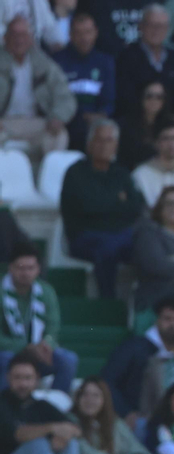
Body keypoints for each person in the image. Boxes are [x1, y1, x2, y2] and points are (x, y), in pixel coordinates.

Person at [62, 117, 144, 299]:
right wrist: (118, 202)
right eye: (99, 140)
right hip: (84, 237)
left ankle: (143, 305)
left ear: (116, 145)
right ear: (89, 144)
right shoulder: (75, 173)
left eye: (110, 140)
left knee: (147, 245)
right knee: (107, 247)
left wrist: (108, 204)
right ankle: (108, 301)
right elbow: (87, 206)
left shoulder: (121, 173)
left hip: (121, 237)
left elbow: (135, 207)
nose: (104, 145)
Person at [0, 352, 78, 454]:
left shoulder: (41, 406)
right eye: (18, 378)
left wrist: (61, 436)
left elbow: (76, 429)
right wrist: (52, 429)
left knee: (71, 442)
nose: (22, 383)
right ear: (8, 378)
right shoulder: (2, 404)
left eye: (27, 378)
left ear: (36, 380)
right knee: (38, 444)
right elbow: (18, 434)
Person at [0, 249, 76, 395]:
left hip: (38, 353)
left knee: (68, 360)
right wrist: (26, 347)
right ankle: (5, 409)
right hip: (7, 351)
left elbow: (53, 327)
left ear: (38, 269)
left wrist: (47, 344)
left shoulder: (46, 291)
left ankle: (54, 407)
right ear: (11, 268)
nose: (26, 273)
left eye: (30, 268)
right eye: (21, 268)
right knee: (6, 359)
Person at [0, 16, 71, 160]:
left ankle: (46, 180)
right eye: (14, 34)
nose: (19, 40)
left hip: (36, 122)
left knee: (59, 136)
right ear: (5, 38)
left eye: (23, 34)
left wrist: (57, 117)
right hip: (4, 123)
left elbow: (65, 96)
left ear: (31, 38)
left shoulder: (43, 64)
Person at [54, 11, 114, 150]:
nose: (84, 38)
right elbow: (55, 98)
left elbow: (109, 101)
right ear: (70, 34)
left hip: (96, 121)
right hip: (67, 121)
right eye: (78, 33)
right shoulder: (57, 61)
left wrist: (100, 115)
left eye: (88, 32)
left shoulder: (105, 62)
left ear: (96, 33)